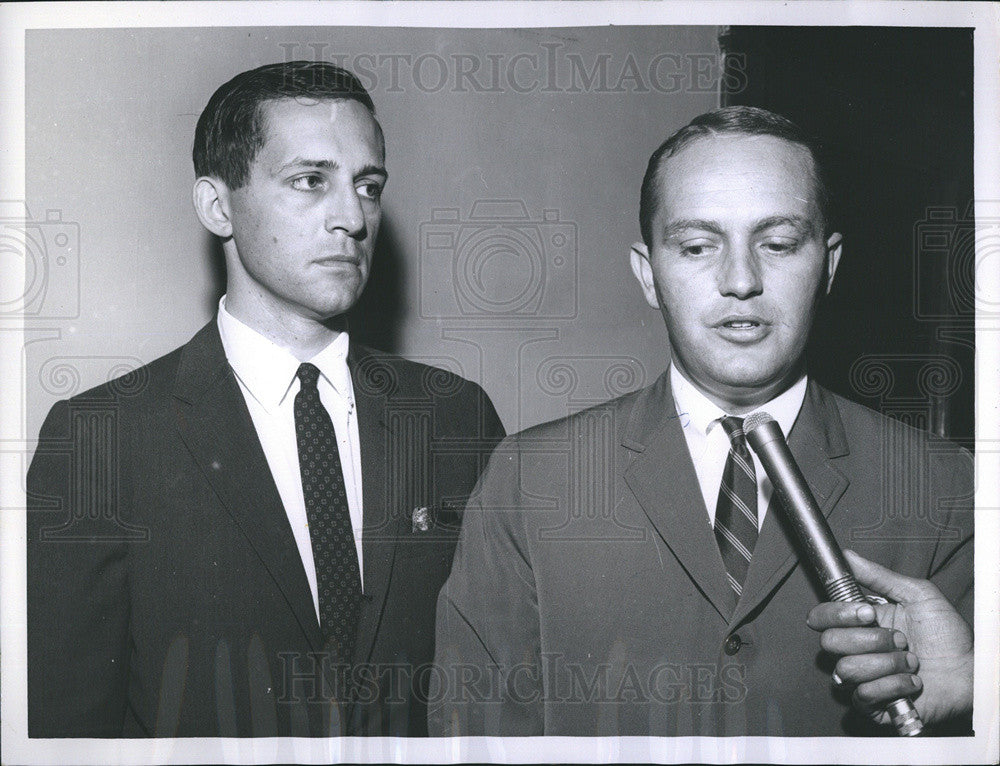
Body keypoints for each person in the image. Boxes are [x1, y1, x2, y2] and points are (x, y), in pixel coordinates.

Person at [431, 106, 973, 737]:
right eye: (696, 246)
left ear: (827, 266)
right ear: (649, 274)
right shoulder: (530, 480)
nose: (740, 281)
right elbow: (474, 737)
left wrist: (977, 705)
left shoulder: (944, 485)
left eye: (777, 244)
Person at [27, 61, 504, 738]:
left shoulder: (455, 416)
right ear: (218, 205)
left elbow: (496, 692)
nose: (352, 218)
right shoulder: (102, 438)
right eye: (311, 181)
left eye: (367, 186)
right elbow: (62, 727)